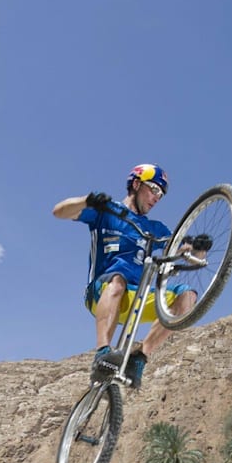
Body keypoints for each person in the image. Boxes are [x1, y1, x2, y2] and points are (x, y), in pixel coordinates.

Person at [51, 164, 198, 391]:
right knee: (117, 280)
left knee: (187, 295)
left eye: (161, 194)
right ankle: (102, 354)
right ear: (136, 184)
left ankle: (140, 356)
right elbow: (59, 211)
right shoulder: (107, 212)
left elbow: (181, 248)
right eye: (154, 190)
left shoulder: (154, 227)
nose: (157, 198)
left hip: (136, 299)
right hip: (102, 291)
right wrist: (88, 201)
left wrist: (198, 247)